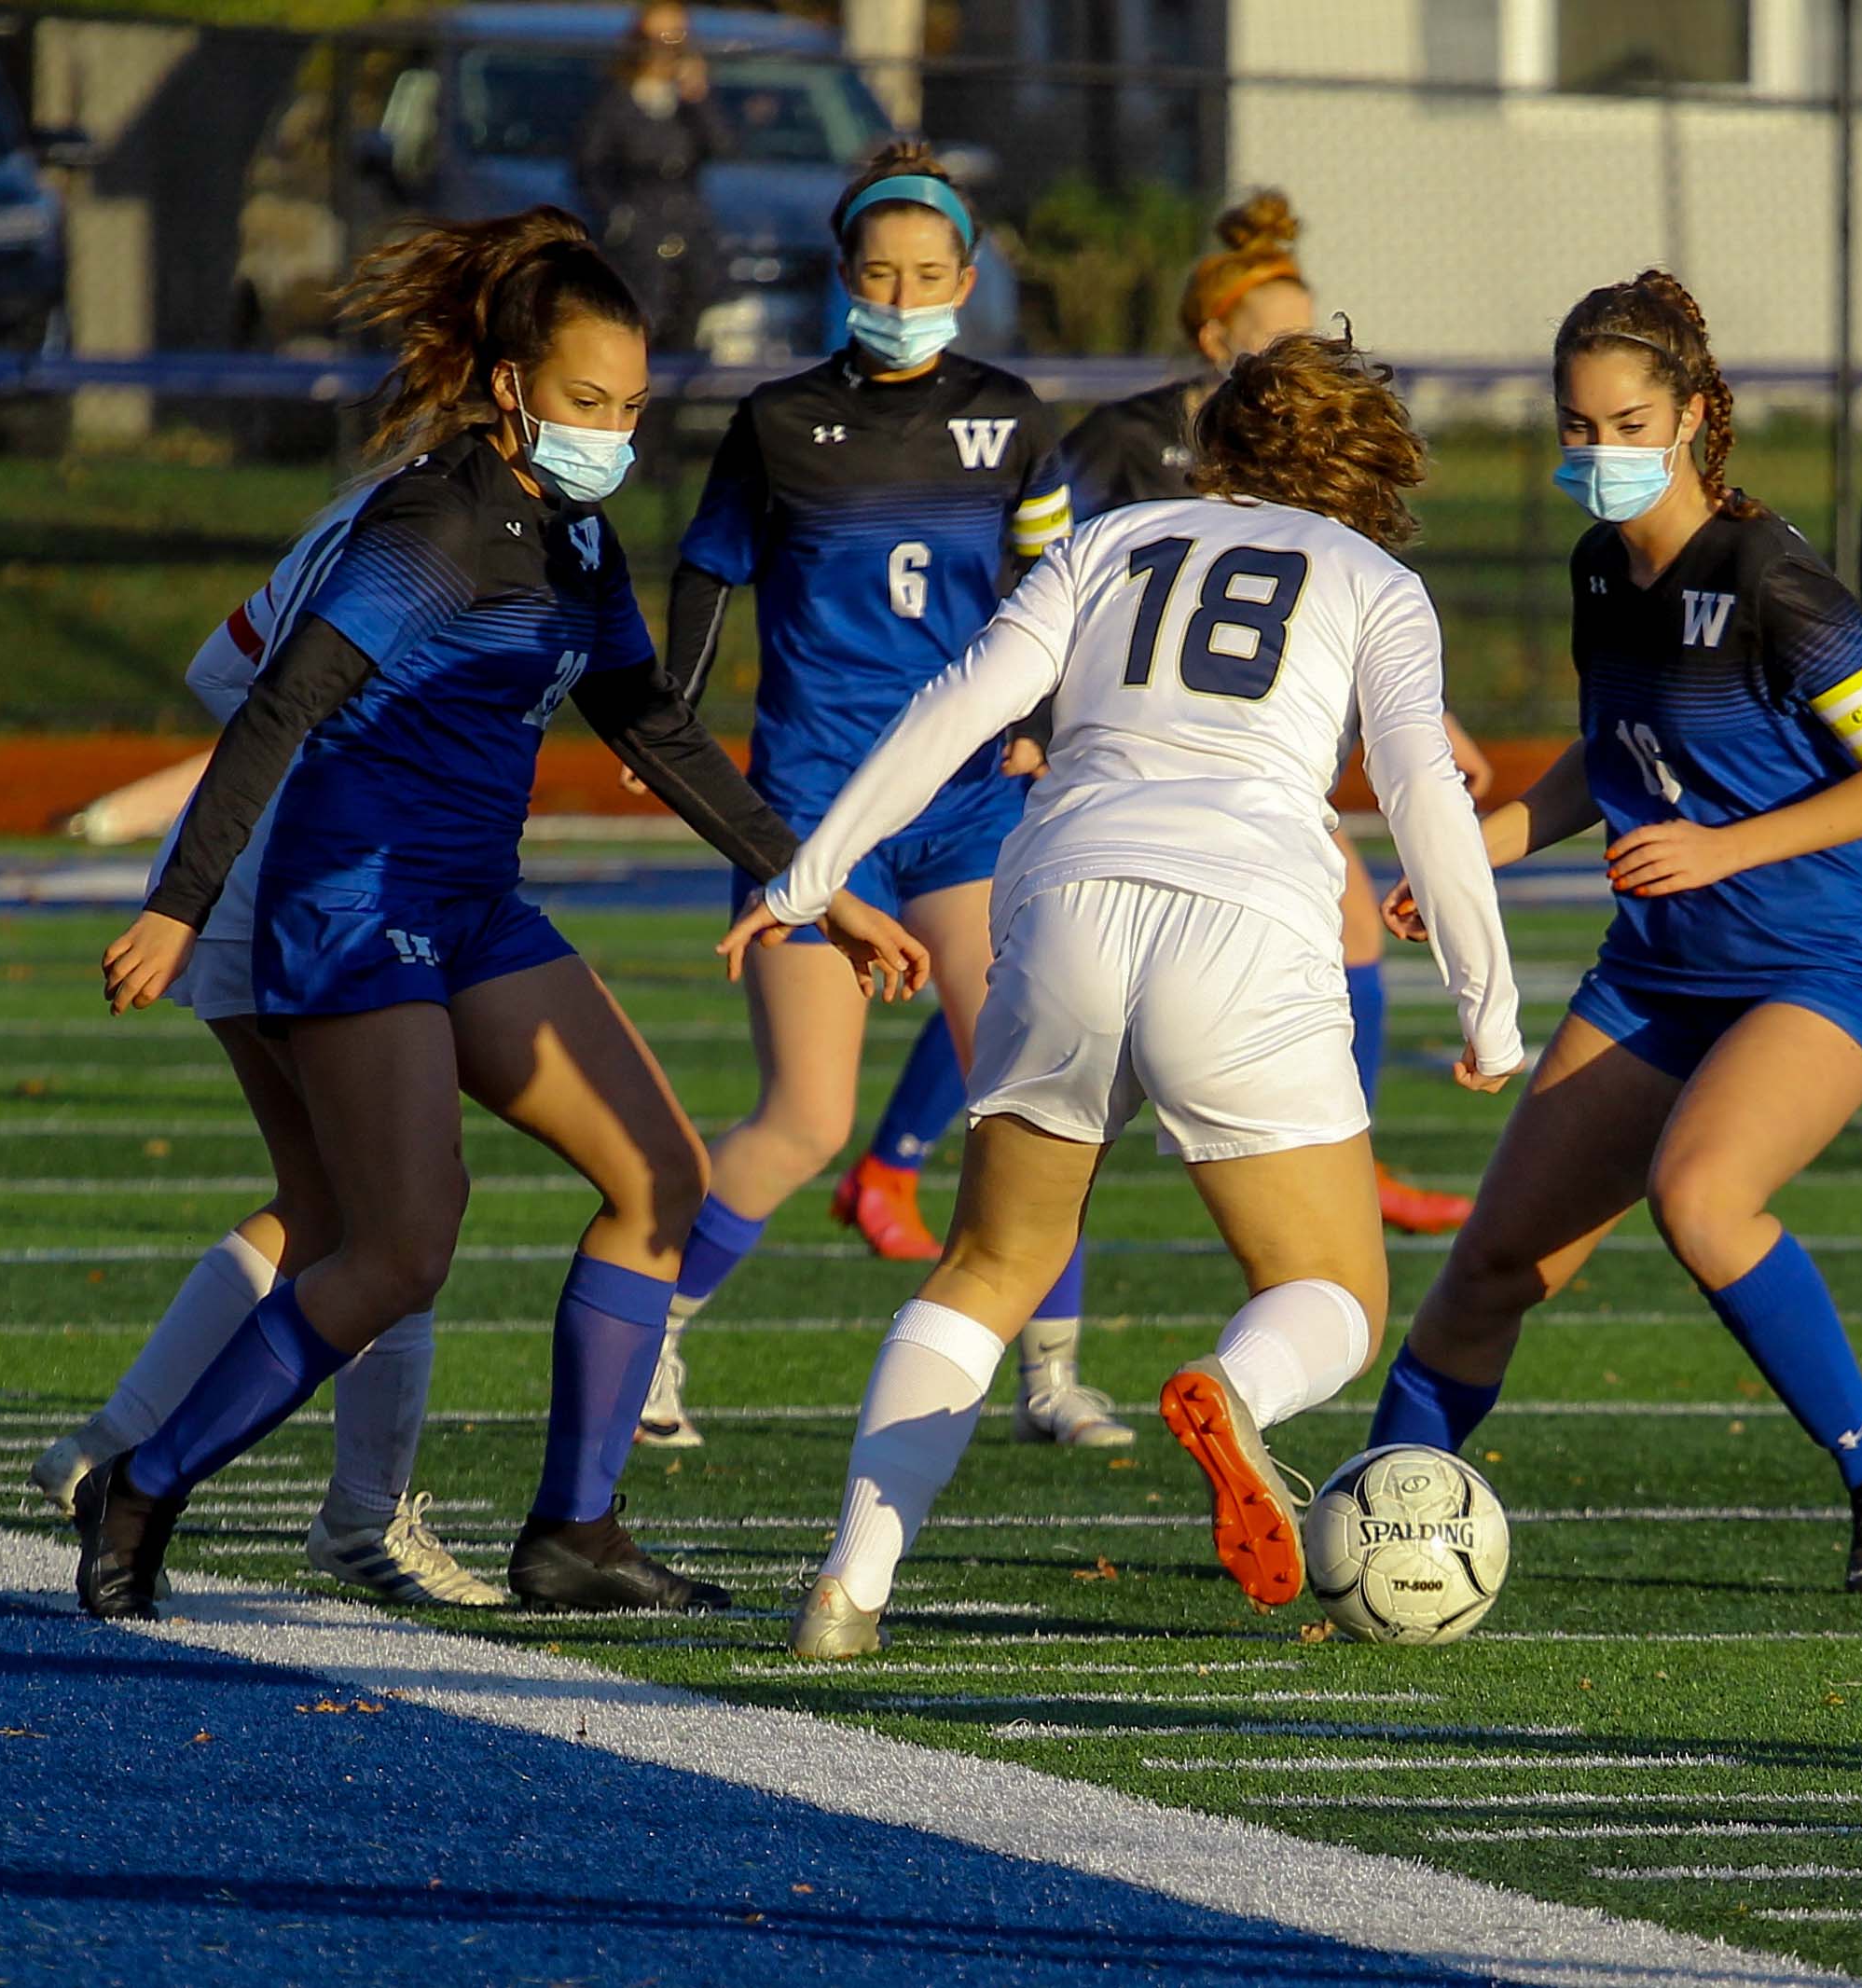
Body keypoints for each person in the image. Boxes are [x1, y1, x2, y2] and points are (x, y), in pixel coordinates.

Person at [74, 206, 923, 1622]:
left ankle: (575, 1533)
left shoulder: (575, 542)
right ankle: (143, 1484)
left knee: (661, 1182)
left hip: (472, 904)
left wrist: (813, 884)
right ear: (515, 387)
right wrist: (178, 907)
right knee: (399, 1247)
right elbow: (283, 704)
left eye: (636, 406)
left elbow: (652, 730)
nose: (616, 430)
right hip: (356, 901)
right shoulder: (436, 516)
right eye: (589, 402)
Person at [723, 329, 1525, 1660]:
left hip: (1064, 902)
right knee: (1328, 1285)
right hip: (1246, 920)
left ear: (1219, 442)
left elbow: (954, 705)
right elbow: (1422, 787)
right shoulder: (1373, 579)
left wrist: (809, 875)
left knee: (989, 1264)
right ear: (1373, 474)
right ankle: (1232, 1386)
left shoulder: (1109, 541)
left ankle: (850, 1585)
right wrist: (1485, 1006)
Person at [1368, 269, 1862, 1596]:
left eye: (1625, 424)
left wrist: (1720, 848)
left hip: (1815, 967)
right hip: (1658, 975)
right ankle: (1379, 1516)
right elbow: (1605, 755)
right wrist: (1477, 851)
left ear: (1690, 415)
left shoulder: (1773, 579)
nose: (1597, 452)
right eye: (1575, 427)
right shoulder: (1596, 569)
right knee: (1492, 1265)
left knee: (1700, 1197)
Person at [831, 191, 1492, 1261]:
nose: (1302, 360)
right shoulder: (1134, 443)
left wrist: (1421, 711)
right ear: (1214, 342)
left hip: (1235, 757)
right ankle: (897, 1154)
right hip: (1123, 749)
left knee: (1332, 925)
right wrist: (1043, 710)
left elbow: (1315, 604)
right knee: (1011, 961)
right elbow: (1050, 563)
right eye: (1277, 341)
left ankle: (1338, 1148)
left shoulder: (1299, 473)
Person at [645, 141, 1123, 1453]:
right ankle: (652, 1343)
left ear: (966, 277)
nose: (901, 291)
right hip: (809, 808)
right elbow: (706, 574)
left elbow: (1063, 591)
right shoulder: (778, 422)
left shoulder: (1013, 419)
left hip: (969, 811)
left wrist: (1041, 726)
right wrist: (669, 718)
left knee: (1027, 1086)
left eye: (927, 272)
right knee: (808, 1115)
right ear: (841, 277)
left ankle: (1052, 1373)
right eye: (877, 271)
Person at [30, 504, 502, 1608]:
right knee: (401, 1199)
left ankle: (114, 1442)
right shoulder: (465, 522)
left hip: (245, 853)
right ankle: (361, 1513)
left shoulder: (365, 508)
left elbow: (218, 668)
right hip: (313, 864)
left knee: (331, 1199)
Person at [575, 1, 724, 353]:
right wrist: (618, 217)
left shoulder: (688, 104)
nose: (664, 50)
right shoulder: (617, 102)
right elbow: (589, 166)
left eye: (675, 38)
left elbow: (720, 146)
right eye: (654, 38)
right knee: (641, 326)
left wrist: (697, 98)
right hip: (638, 240)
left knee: (689, 328)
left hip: (687, 233)